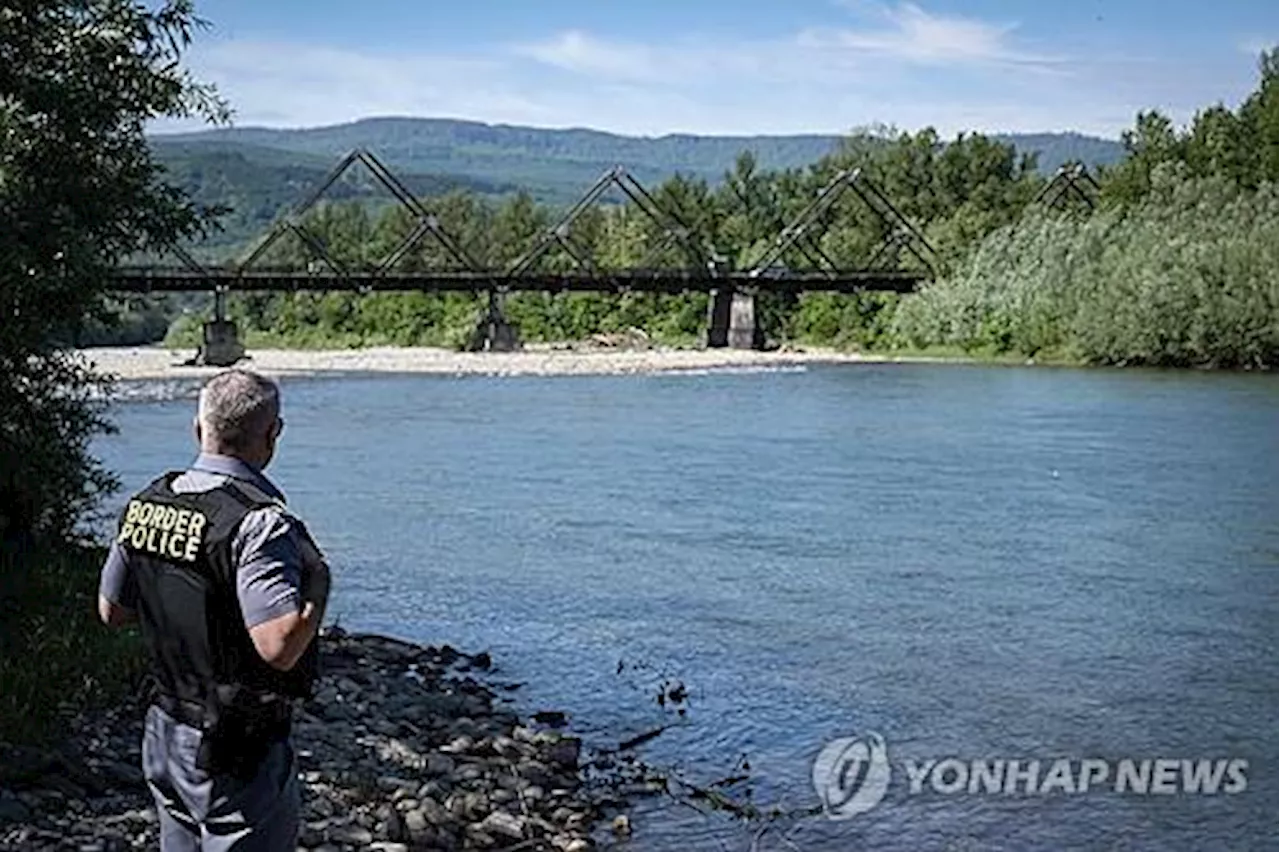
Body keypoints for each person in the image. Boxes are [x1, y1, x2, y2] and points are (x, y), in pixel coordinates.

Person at [98, 369, 330, 851]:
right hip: (236, 746)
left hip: (165, 729)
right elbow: (279, 648)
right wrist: (320, 585)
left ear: (198, 429)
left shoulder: (146, 503)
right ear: (273, 434)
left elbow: (112, 610)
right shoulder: (260, 523)